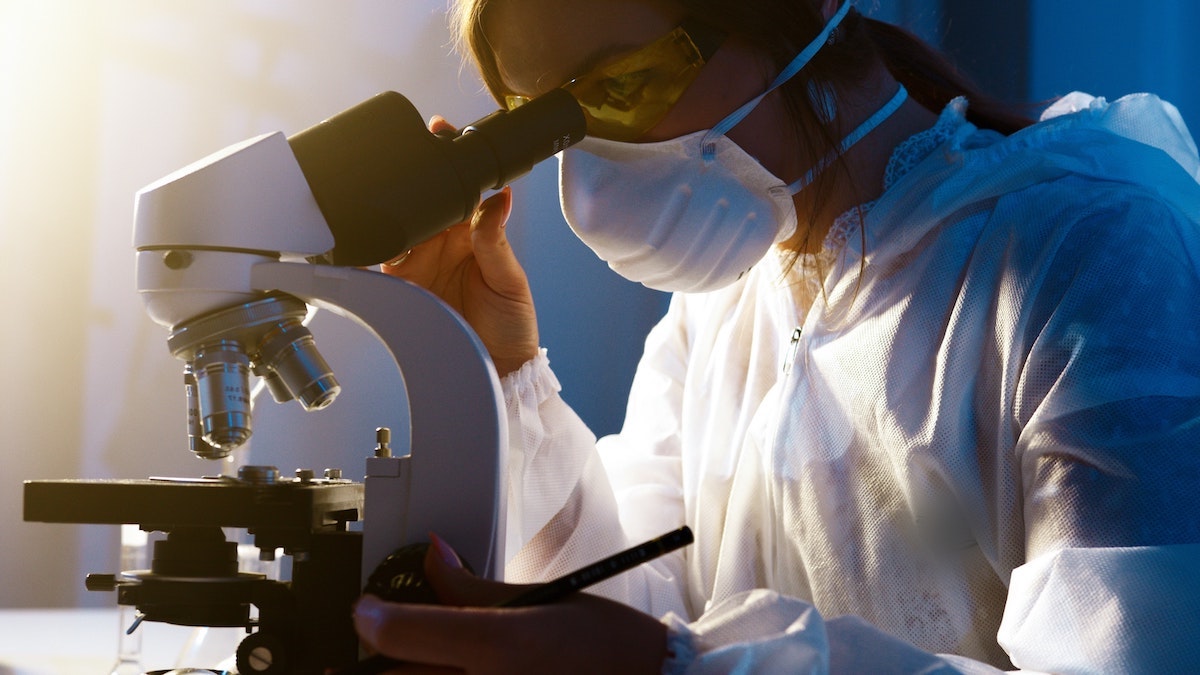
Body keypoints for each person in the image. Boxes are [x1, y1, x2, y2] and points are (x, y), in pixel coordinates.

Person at [352, 0, 1200, 671]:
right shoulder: (723, 303)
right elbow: (624, 607)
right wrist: (508, 373)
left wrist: (680, 667)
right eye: (543, 127)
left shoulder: (1090, 252)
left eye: (620, 85)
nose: (592, 171)